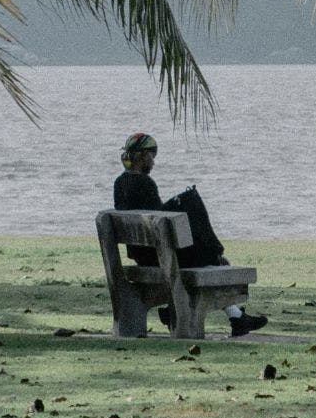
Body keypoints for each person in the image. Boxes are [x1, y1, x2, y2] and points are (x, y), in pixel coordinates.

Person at [113, 132, 268, 337]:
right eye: (152, 155)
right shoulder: (145, 183)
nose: (153, 160)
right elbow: (159, 223)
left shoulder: (119, 183)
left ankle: (232, 317)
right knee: (195, 209)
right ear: (142, 156)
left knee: (187, 205)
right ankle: (234, 316)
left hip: (144, 256)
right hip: (159, 258)